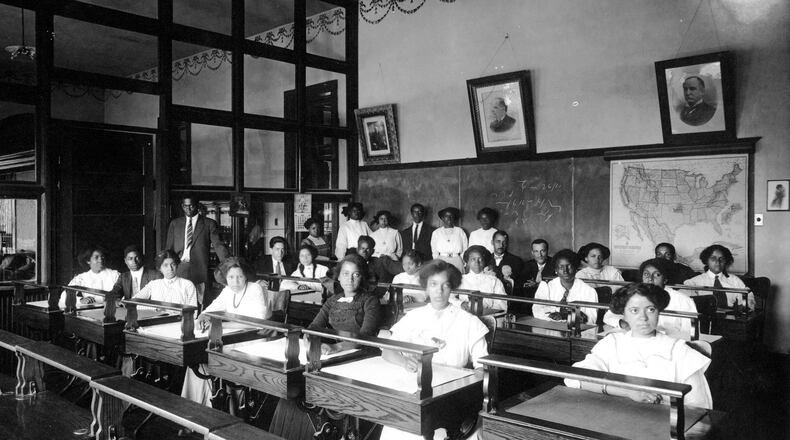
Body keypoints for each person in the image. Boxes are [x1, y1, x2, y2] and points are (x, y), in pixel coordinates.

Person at [380, 260, 489, 440]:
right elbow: (387, 351)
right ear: (426, 287)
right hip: (415, 392)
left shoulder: (469, 322)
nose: (439, 291)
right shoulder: (413, 317)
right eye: (433, 285)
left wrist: (465, 384)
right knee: (400, 424)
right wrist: (404, 361)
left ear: (452, 287)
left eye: (445, 285)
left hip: (453, 397)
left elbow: (483, 368)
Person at [565, 283, 713, 409]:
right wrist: (628, 392)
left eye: (650, 309)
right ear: (624, 315)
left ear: (658, 312)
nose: (643, 317)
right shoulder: (612, 343)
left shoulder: (679, 350)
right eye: (634, 310)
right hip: (615, 416)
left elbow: (699, 406)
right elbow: (575, 378)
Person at [186, 257, 273, 407]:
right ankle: (193, 410)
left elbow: (257, 322)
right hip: (230, 339)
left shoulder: (255, 288)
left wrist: (222, 325)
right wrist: (203, 316)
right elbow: (211, 309)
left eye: (240, 276)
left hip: (251, 342)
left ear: (246, 276)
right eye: (231, 277)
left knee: (213, 360)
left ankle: (223, 406)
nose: (235, 281)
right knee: (197, 362)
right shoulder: (227, 291)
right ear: (226, 278)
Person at [603, 258, 698, 340]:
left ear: (665, 279)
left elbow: (689, 334)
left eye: (657, 275)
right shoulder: (632, 294)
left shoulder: (682, 300)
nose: (650, 279)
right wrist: (623, 323)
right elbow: (609, 316)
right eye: (646, 274)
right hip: (635, 341)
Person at [307, 254, 382, 353]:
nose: (350, 279)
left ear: (362, 278)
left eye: (356, 275)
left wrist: (336, 348)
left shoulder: (370, 301)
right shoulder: (332, 300)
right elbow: (313, 328)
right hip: (336, 352)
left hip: (362, 354)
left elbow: (365, 336)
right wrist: (308, 340)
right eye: (345, 274)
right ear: (338, 277)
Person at [165, 195, 228, 306]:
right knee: (178, 300)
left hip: (200, 269)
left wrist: (228, 265)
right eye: (185, 206)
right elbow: (169, 249)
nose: (188, 209)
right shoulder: (175, 224)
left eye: (191, 206)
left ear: (197, 206)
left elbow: (218, 246)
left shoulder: (209, 224)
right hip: (179, 268)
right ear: (182, 206)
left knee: (200, 301)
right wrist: (166, 269)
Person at [533, 249, 598, 323]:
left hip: (577, 332)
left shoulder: (589, 291)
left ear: (575, 268)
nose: (565, 271)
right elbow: (537, 311)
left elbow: (591, 320)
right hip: (549, 328)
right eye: (561, 267)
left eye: (569, 266)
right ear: (556, 270)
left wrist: (564, 316)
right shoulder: (546, 287)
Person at [684, 244, 753, 309]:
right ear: (706, 261)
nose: (718, 262)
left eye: (722, 259)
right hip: (704, 318)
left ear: (726, 261)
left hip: (730, 319)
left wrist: (745, 306)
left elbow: (748, 297)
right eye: (713, 259)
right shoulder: (694, 282)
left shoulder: (735, 280)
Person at [132, 250, 197, 307]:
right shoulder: (153, 285)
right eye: (165, 265)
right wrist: (154, 309)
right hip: (156, 320)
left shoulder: (187, 285)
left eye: (173, 264)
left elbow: (193, 312)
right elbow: (134, 301)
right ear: (160, 268)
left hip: (181, 320)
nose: (170, 268)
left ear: (177, 266)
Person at [456, 245, 508, 313]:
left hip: (488, 316)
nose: (477, 262)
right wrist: (460, 303)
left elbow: (501, 303)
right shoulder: (461, 279)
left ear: (485, 261)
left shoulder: (494, 281)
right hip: (464, 316)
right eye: (473, 259)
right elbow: (449, 298)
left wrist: (488, 312)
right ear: (467, 262)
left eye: (480, 259)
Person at [430, 207, 468, 273]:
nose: (449, 218)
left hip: (457, 259)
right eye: (446, 216)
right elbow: (434, 250)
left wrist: (461, 260)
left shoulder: (460, 231)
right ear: (442, 218)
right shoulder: (437, 232)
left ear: (454, 218)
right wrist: (437, 261)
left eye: (451, 216)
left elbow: (465, 248)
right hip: (442, 259)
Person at [490, 230, 525, 296]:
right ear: (492, 242)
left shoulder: (517, 261)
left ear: (507, 244)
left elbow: (520, 286)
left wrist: (509, 280)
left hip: (508, 300)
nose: (501, 245)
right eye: (498, 241)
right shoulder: (486, 259)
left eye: (504, 242)